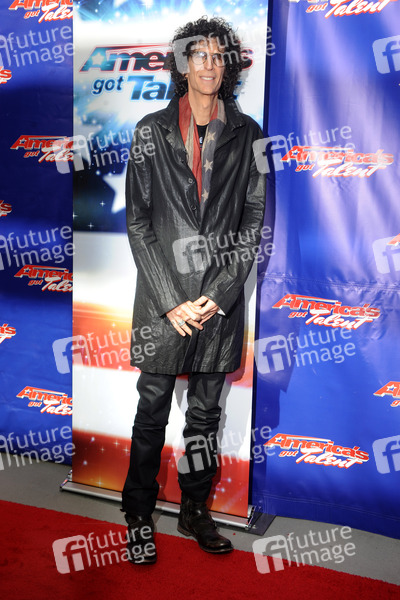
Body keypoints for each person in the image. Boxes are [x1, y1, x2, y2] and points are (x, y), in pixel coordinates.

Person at [122, 15, 266, 564]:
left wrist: (223, 291)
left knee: (205, 417)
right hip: (165, 305)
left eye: (217, 55)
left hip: (218, 303)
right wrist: (170, 301)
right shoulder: (149, 131)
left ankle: (195, 511)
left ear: (227, 65)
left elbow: (253, 220)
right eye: (198, 55)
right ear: (182, 64)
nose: (209, 65)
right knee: (151, 412)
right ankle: (138, 515)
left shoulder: (250, 134)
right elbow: (138, 222)